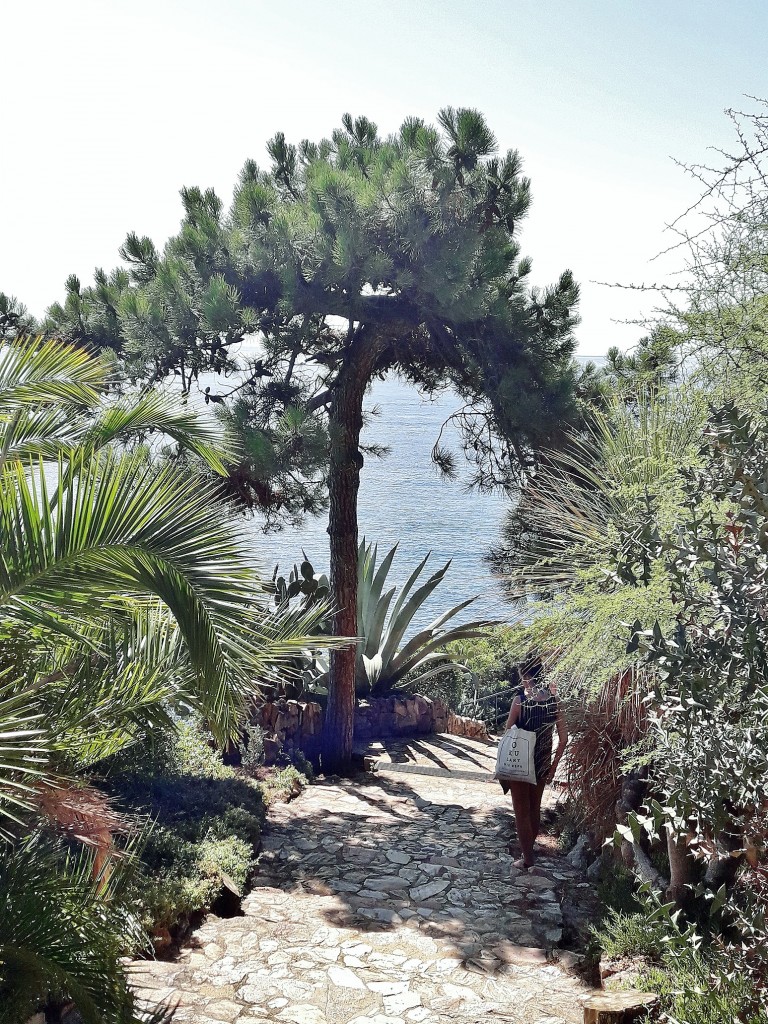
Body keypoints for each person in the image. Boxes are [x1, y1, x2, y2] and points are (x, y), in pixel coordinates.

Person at [499, 662, 568, 872]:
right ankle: (528, 854)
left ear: (528, 678)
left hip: (520, 761)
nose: (523, 682)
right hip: (542, 762)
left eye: (523, 678)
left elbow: (508, 730)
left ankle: (527, 859)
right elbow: (564, 738)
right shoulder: (555, 702)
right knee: (534, 808)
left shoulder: (519, 701)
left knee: (521, 811)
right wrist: (554, 766)